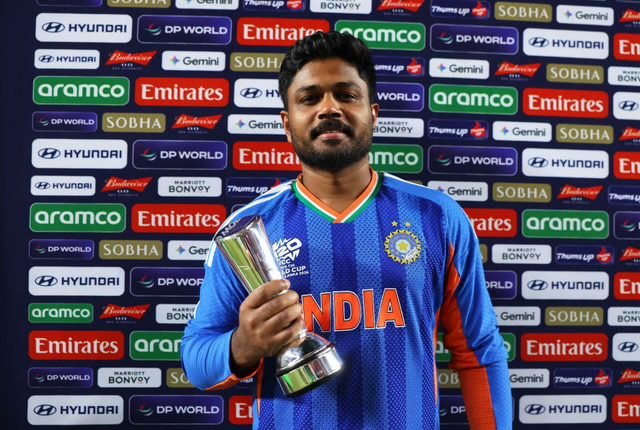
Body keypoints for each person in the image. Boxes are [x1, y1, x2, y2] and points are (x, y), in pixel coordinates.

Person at [181, 31, 512, 429]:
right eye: (309, 98)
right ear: (287, 124)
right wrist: (244, 346)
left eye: (346, 95)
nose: (329, 108)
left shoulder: (438, 217)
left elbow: (479, 352)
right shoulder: (246, 232)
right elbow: (197, 362)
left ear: (373, 113)